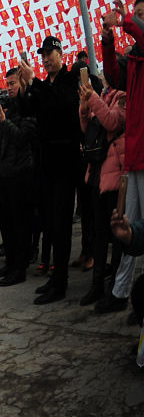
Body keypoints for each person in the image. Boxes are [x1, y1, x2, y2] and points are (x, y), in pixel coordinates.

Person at [23, 35, 82, 305]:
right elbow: (31, 110)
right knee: (50, 222)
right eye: (43, 55)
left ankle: (61, 282)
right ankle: (55, 278)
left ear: (60, 54)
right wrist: (27, 87)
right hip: (46, 160)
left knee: (61, 223)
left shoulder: (71, 79)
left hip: (66, 159)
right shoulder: (45, 84)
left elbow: (62, 103)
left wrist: (35, 82)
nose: (46, 59)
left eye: (50, 54)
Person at [99, 0, 144, 315]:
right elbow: (113, 75)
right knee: (127, 232)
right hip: (134, 159)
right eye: (137, 14)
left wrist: (125, 19)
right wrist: (107, 36)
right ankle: (120, 292)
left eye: (143, 15)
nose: (137, 20)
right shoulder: (135, 60)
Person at [77, 71, 126, 307]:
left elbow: (112, 122)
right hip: (96, 173)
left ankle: (115, 289)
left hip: (114, 174)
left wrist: (94, 99)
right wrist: (84, 108)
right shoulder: (104, 96)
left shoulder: (123, 96)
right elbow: (89, 130)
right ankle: (97, 285)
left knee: (116, 235)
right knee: (98, 233)